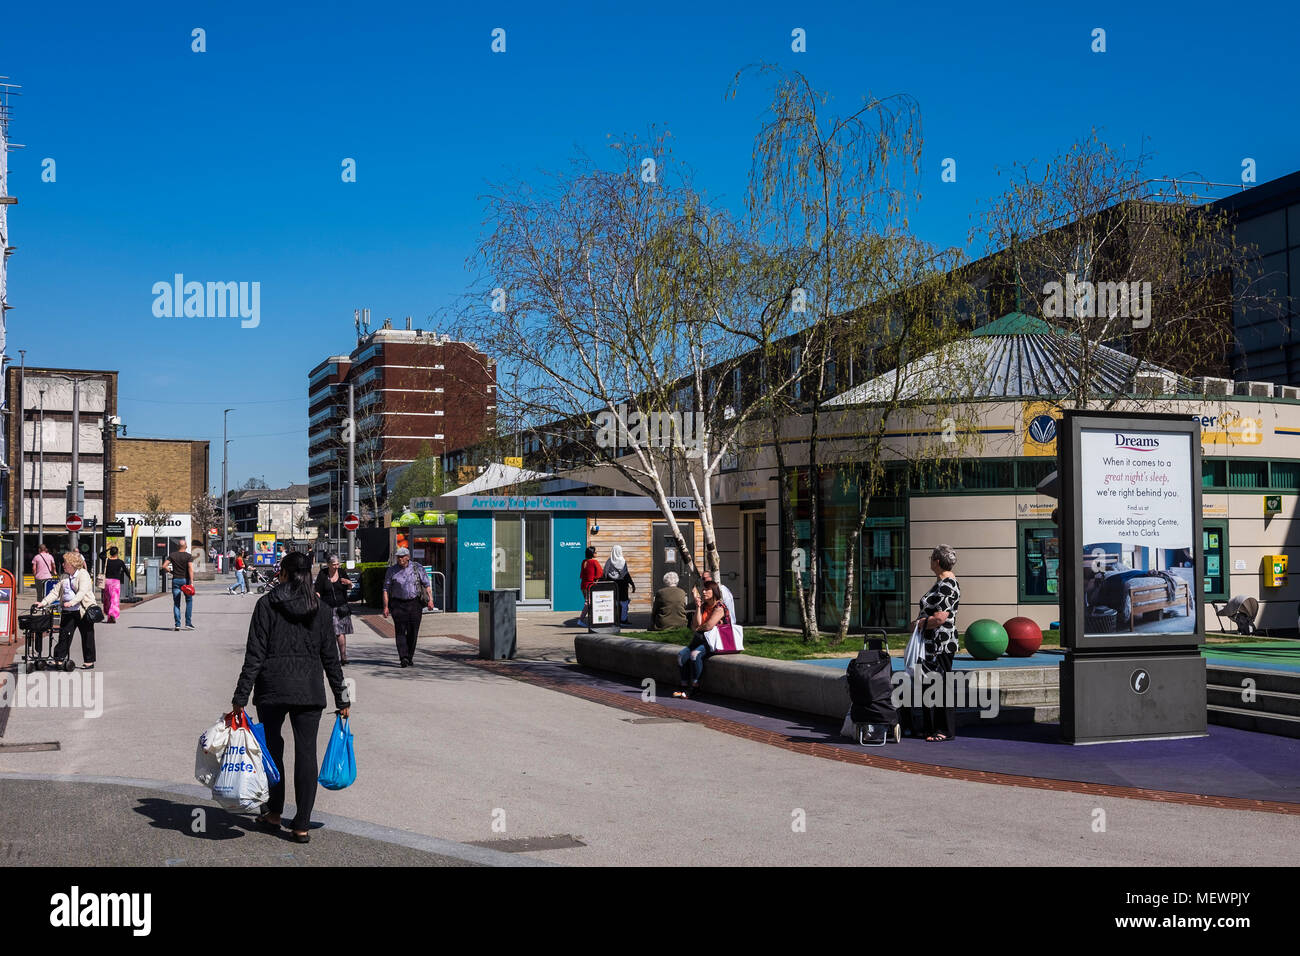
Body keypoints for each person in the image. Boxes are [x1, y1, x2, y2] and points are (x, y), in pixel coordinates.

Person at [229, 551, 351, 844]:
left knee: (273, 751)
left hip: (272, 687)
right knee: (306, 753)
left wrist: (240, 696)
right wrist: (342, 698)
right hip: (309, 689)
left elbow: (255, 655)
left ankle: (273, 813)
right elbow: (331, 658)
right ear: (308, 574)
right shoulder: (321, 609)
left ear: (282, 573)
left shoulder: (266, 605)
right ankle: (301, 824)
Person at [907, 544, 961, 742]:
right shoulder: (941, 583)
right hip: (930, 644)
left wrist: (919, 623)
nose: (930, 560)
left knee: (940, 685)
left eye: (931, 558)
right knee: (929, 685)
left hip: (940, 644)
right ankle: (930, 728)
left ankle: (944, 730)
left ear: (937, 562)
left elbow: (940, 618)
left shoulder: (947, 584)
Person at [38, 551, 100, 669]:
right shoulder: (64, 576)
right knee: (64, 634)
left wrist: (72, 602)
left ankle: (89, 661)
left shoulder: (83, 574)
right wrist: (43, 602)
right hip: (68, 611)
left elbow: (82, 592)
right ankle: (59, 659)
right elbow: (55, 592)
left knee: (87, 635)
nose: (63, 565)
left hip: (83, 610)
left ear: (72, 564)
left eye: (65, 562)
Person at [673, 580, 728, 699]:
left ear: (714, 592)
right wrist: (698, 607)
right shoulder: (703, 606)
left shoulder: (720, 607)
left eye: (706, 590)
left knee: (695, 655)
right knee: (681, 656)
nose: (703, 592)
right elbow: (695, 625)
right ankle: (683, 686)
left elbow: (709, 626)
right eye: (703, 590)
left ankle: (694, 687)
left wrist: (699, 628)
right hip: (700, 638)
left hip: (714, 640)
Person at [382, 547, 433, 667]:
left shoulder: (417, 568)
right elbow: (385, 589)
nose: (399, 559)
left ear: (408, 557)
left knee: (413, 631)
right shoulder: (391, 570)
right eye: (398, 557)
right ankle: (403, 657)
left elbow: (427, 584)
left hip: (414, 603)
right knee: (400, 631)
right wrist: (385, 606)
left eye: (402, 556)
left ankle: (410, 656)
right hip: (398, 604)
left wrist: (431, 600)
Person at [315, 554, 353, 665]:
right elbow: (318, 589)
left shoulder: (342, 572)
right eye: (334, 565)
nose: (336, 566)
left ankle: (343, 656)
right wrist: (317, 601)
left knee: (340, 632)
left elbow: (350, 586)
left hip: (341, 607)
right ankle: (333, 656)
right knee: (330, 633)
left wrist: (349, 583)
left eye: (337, 564)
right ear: (328, 564)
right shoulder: (323, 574)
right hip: (327, 607)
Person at [164, 539, 195, 631]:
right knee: (189, 601)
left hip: (176, 580)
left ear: (178, 546)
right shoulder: (188, 556)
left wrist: (172, 571)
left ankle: (177, 624)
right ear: (186, 546)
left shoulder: (172, 555)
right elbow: (190, 568)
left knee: (176, 603)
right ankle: (188, 623)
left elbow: (164, 566)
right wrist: (192, 582)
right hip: (186, 581)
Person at [602, 545, 637, 625]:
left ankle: (614, 619)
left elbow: (605, 573)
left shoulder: (609, 561)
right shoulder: (622, 561)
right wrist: (632, 584)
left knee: (614, 602)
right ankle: (623, 620)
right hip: (623, 584)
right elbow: (626, 574)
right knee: (624, 603)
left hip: (612, 584)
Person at [578, 546, 603, 625]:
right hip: (590, 585)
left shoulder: (584, 561)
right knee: (588, 603)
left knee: (589, 603)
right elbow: (600, 573)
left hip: (583, 585)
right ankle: (581, 620)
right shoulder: (594, 562)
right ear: (592, 553)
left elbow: (582, 574)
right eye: (595, 552)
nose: (596, 553)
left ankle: (591, 620)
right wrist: (596, 579)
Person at [103, 546, 128, 623]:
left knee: (107, 599)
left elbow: (100, 554)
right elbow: (126, 570)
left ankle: (108, 615)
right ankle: (112, 614)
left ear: (110, 552)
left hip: (107, 582)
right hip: (115, 582)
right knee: (114, 599)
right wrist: (130, 578)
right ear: (117, 553)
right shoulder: (120, 562)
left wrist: (107, 549)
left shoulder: (106, 560)